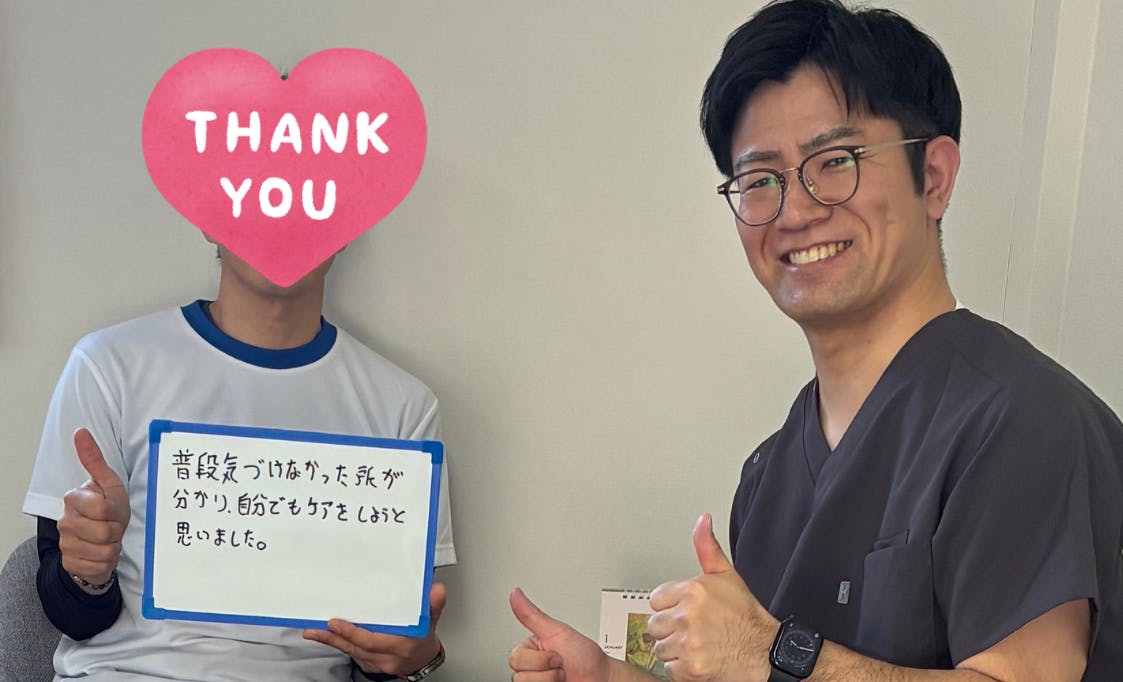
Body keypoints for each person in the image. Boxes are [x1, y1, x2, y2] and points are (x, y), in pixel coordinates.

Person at [508, 1, 1123, 680]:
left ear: (934, 177)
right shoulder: (768, 474)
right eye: (759, 180)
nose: (795, 210)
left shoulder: (1021, 421)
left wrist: (768, 651)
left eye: (835, 161)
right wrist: (611, 678)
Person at [23, 240, 456, 681]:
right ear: (209, 218)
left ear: (345, 227)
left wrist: (410, 658)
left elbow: (381, 654)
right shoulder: (108, 365)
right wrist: (87, 572)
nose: (280, 220)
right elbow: (73, 617)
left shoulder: (403, 408)